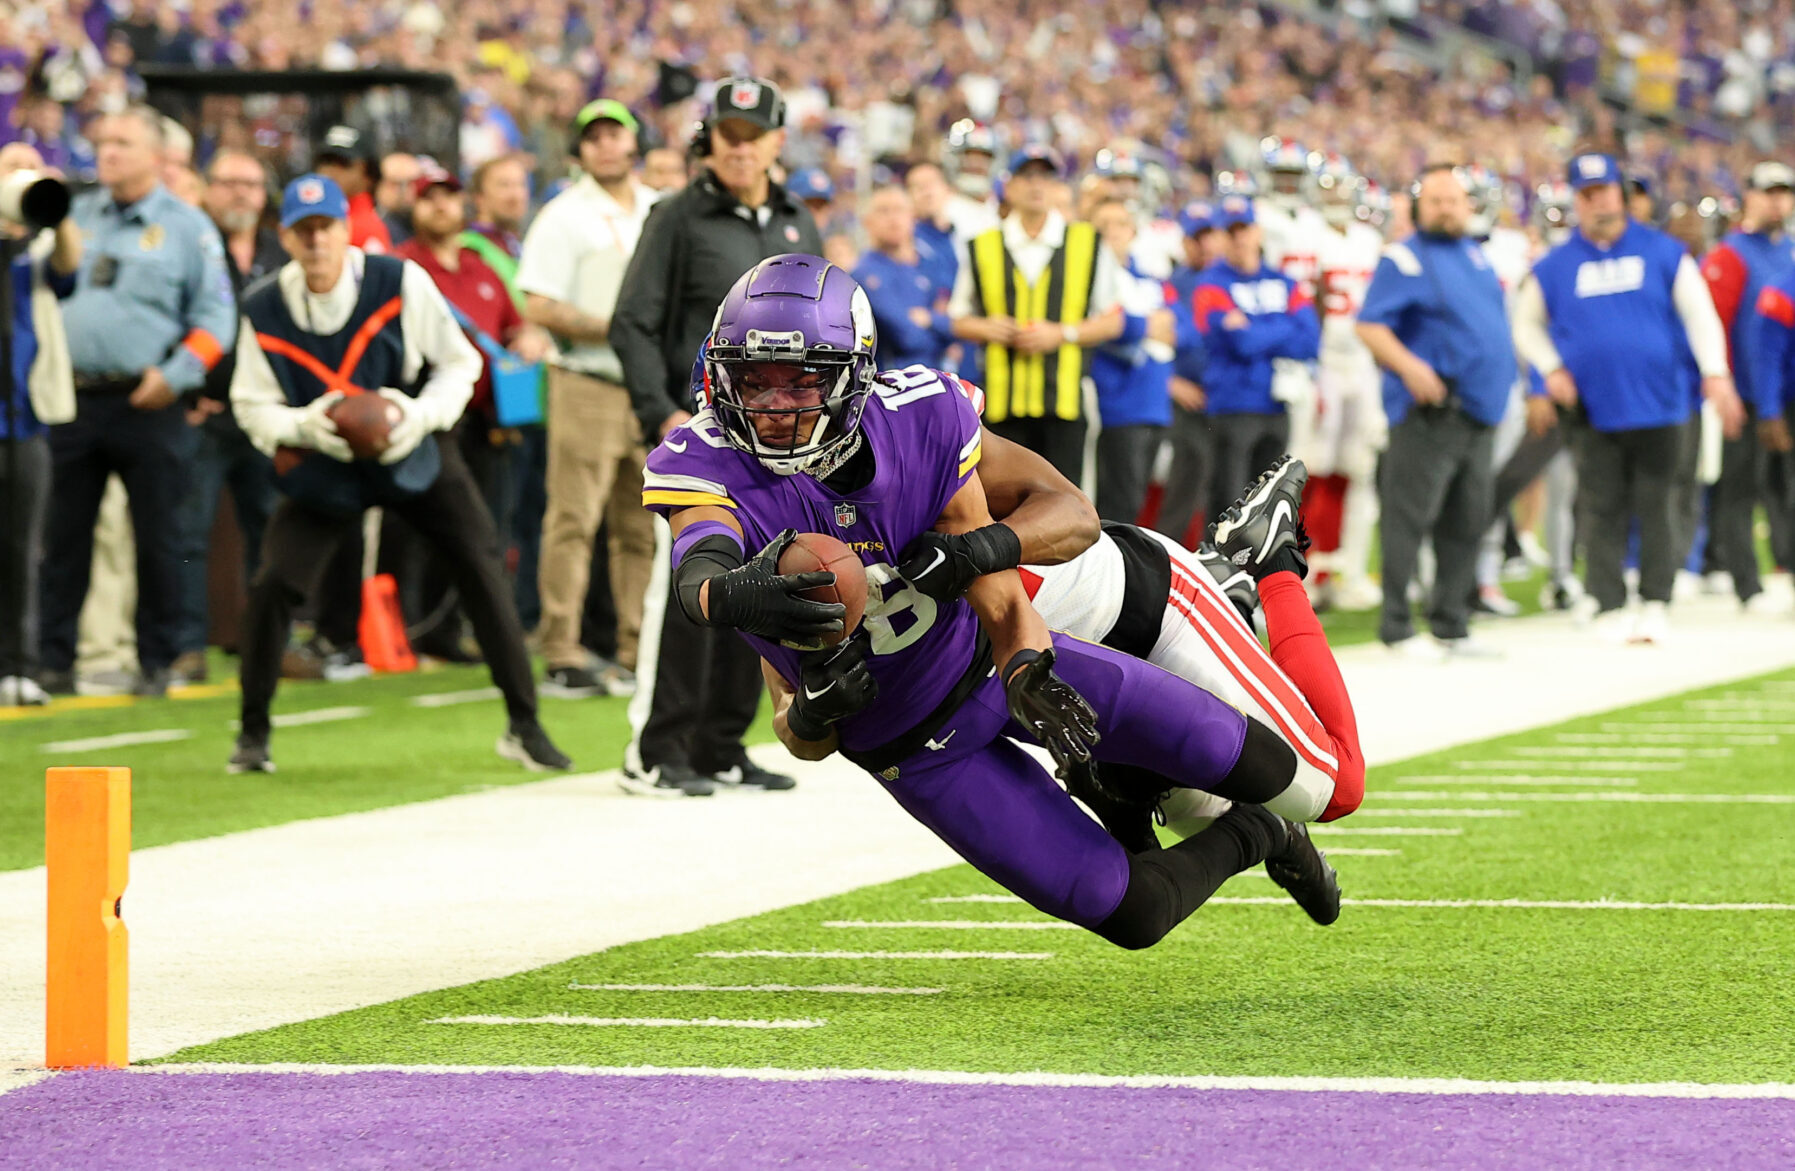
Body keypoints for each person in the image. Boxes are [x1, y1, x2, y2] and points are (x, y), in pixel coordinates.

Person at [645, 254, 1342, 946]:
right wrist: (807, 698)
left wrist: (1024, 666)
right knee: (1133, 914)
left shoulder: (919, 423)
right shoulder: (704, 464)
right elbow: (783, 707)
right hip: (912, 749)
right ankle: (1257, 830)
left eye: (801, 382)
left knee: (1309, 783)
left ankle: (1256, 585)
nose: (774, 409)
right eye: (753, 381)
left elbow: (1017, 587)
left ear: (854, 377)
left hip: (995, 660)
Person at [226, 174, 568, 774]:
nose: (316, 242)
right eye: (302, 231)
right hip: (327, 462)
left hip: (413, 450)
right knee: (275, 580)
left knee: (482, 566)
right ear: (284, 236)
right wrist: (304, 426)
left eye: (325, 228)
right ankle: (252, 733)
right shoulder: (263, 307)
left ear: (345, 230)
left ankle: (525, 723)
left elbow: (459, 363)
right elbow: (251, 406)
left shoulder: (398, 280)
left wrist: (418, 415)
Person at [609, 76, 823, 796]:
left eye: (751, 134)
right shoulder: (676, 216)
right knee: (685, 585)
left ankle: (720, 744)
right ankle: (655, 747)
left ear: (775, 141)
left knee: (758, 587)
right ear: (710, 140)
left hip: (780, 439)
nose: (739, 146)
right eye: (727, 134)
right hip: (701, 433)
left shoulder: (798, 221)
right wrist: (660, 411)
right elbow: (631, 320)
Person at [39, 106, 237, 697]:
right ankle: (53, 658)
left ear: (156, 155)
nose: (108, 151)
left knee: (161, 536)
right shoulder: (74, 213)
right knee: (62, 537)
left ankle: (160, 657)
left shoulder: (187, 225)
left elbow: (217, 316)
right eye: (103, 142)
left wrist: (178, 374)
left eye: (123, 142)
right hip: (73, 398)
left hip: (149, 400)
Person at [1511, 153, 1744, 644]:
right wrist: (1550, 367)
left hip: (1662, 402)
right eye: (1588, 193)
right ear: (1576, 200)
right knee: (1599, 505)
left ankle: (1656, 599)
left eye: (1605, 191)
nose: (1598, 201)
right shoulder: (1555, 266)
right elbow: (1525, 322)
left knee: (1659, 503)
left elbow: (1700, 315)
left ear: (1621, 193)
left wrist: (1716, 374)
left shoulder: (1663, 251)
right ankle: (1606, 598)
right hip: (1593, 407)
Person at [517, 98, 660, 699]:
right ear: (579, 149)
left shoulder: (658, 208)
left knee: (644, 524)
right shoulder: (563, 215)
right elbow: (538, 304)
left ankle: (636, 648)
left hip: (645, 386)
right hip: (585, 378)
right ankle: (561, 648)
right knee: (573, 519)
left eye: (616, 135)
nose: (606, 146)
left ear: (633, 144)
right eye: (593, 137)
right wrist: (617, 326)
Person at [1354, 165, 1516, 658]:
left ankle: (1450, 622)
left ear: (1469, 205)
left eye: (1454, 200)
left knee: (1466, 520)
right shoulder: (1403, 258)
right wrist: (1409, 367)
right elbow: (1370, 326)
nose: (1446, 209)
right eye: (1436, 200)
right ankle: (1398, 627)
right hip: (1432, 412)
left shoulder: (1477, 255)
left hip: (1480, 412)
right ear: (1419, 206)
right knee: (1409, 519)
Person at [395, 162, 554, 659]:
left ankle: (450, 629)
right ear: (414, 206)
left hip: (485, 419)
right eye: (429, 197)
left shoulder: (480, 266)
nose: (441, 205)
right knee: (415, 528)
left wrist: (527, 334)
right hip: (424, 417)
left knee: (477, 528)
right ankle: (404, 630)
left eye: (448, 195)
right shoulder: (399, 265)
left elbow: (517, 325)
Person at [947, 144, 1125, 484]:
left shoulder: (1087, 242)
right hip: (1001, 399)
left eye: (1045, 176)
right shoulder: (982, 243)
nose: (1036, 185)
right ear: (1009, 186)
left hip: (1065, 398)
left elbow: (1113, 319)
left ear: (1059, 188)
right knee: (1003, 499)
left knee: (1069, 498)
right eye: (1027, 176)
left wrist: (1061, 334)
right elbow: (958, 317)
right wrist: (987, 327)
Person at [172, 148, 285, 684]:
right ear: (208, 188)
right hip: (209, 412)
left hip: (264, 415)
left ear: (264, 196)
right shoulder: (190, 245)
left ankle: (266, 642)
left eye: (251, 184)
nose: (240, 193)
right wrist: (187, 389)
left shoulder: (278, 252)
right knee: (189, 533)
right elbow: (168, 318)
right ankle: (188, 645)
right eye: (229, 182)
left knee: (269, 528)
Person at [0, 143, 80, 706]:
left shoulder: (39, 243)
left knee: (22, 549)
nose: (22, 180)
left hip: (26, 419)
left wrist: (54, 202)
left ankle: (19, 665)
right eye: (12, 169)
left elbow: (68, 270)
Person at [1190, 195, 1320, 526]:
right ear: (1219, 237)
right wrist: (1282, 326)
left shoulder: (1284, 281)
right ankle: (1221, 575)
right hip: (1232, 405)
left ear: (1258, 232)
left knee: (1271, 504)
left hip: (1277, 405)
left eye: (1244, 228)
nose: (1238, 238)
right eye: (1230, 231)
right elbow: (1241, 343)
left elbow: (1309, 339)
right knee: (1230, 503)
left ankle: (1258, 577)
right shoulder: (1208, 284)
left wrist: (1254, 327)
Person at [1702, 162, 1795, 614]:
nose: (1777, 200)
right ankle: (1745, 583)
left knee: (1782, 488)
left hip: (1785, 393)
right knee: (1738, 488)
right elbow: (1711, 325)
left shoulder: (1791, 251)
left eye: (1784, 192)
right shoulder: (1729, 254)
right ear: (1749, 197)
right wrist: (1722, 386)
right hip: (1743, 391)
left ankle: (1785, 571)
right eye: (1768, 191)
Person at [1087, 196, 1176, 524]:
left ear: (1133, 230)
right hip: (1115, 404)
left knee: (1136, 500)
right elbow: (1110, 326)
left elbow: (1181, 325)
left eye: (1120, 223)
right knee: (1115, 503)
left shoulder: (1150, 277)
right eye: (1103, 225)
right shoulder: (1088, 276)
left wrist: (1135, 325)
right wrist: (1144, 325)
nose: (1113, 232)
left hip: (1153, 401)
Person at [1155, 200, 1222, 548]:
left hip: (1228, 398)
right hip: (1189, 397)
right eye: (1197, 237)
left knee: (1228, 488)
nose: (1205, 244)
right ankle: (1167, 562)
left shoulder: (1230, 277)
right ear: (1184, 242)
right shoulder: (1174, 283)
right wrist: (1171, 381)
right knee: (1185, 484)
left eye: (1210, 235)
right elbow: (1156, 339)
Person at [852, 184, 953, 371]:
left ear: (912, 216)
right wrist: (942, 327)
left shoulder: (931, 262)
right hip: (896, 384)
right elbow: (910, 338)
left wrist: (930, 319)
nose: (893, 218)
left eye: (899, 210)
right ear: (867, 221)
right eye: (883, 211)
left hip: (937, 379)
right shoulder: (864, 273)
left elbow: (954, 325)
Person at [313, 125, 391, 255]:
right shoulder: (310, 216)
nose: (330, 171)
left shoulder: (367, 228)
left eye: (343, 163)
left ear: (367, 175)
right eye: (325, 161)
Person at [375, 151, 420, 245]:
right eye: (395, 184)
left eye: (412, 183)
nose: (405, 191)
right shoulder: (373, 223)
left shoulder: (423, 225)